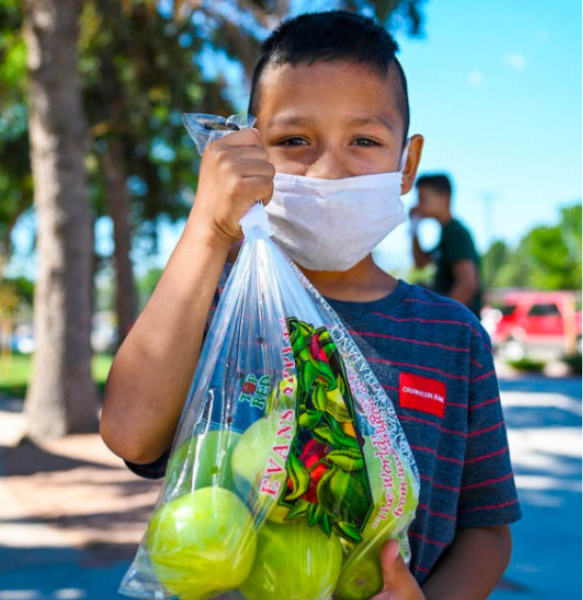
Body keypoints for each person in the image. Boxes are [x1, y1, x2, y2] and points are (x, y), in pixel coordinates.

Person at [100, 11, 521, 600]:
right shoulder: (214, 310)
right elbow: (130, 434)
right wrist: (208, 227)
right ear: (248, 149)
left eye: (364, 141)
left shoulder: (452, 336)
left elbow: (488, 529)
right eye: (294, 141)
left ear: (407, 164)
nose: (327, 169)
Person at [410, 174, 483, 318]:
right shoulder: (445, 233)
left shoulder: (454, 232)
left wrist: (441, 317)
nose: (418, 206)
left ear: (445, 198)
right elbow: (420, 263)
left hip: (460, 323)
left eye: (423, 199)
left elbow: (468, 283)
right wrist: (414, 228)